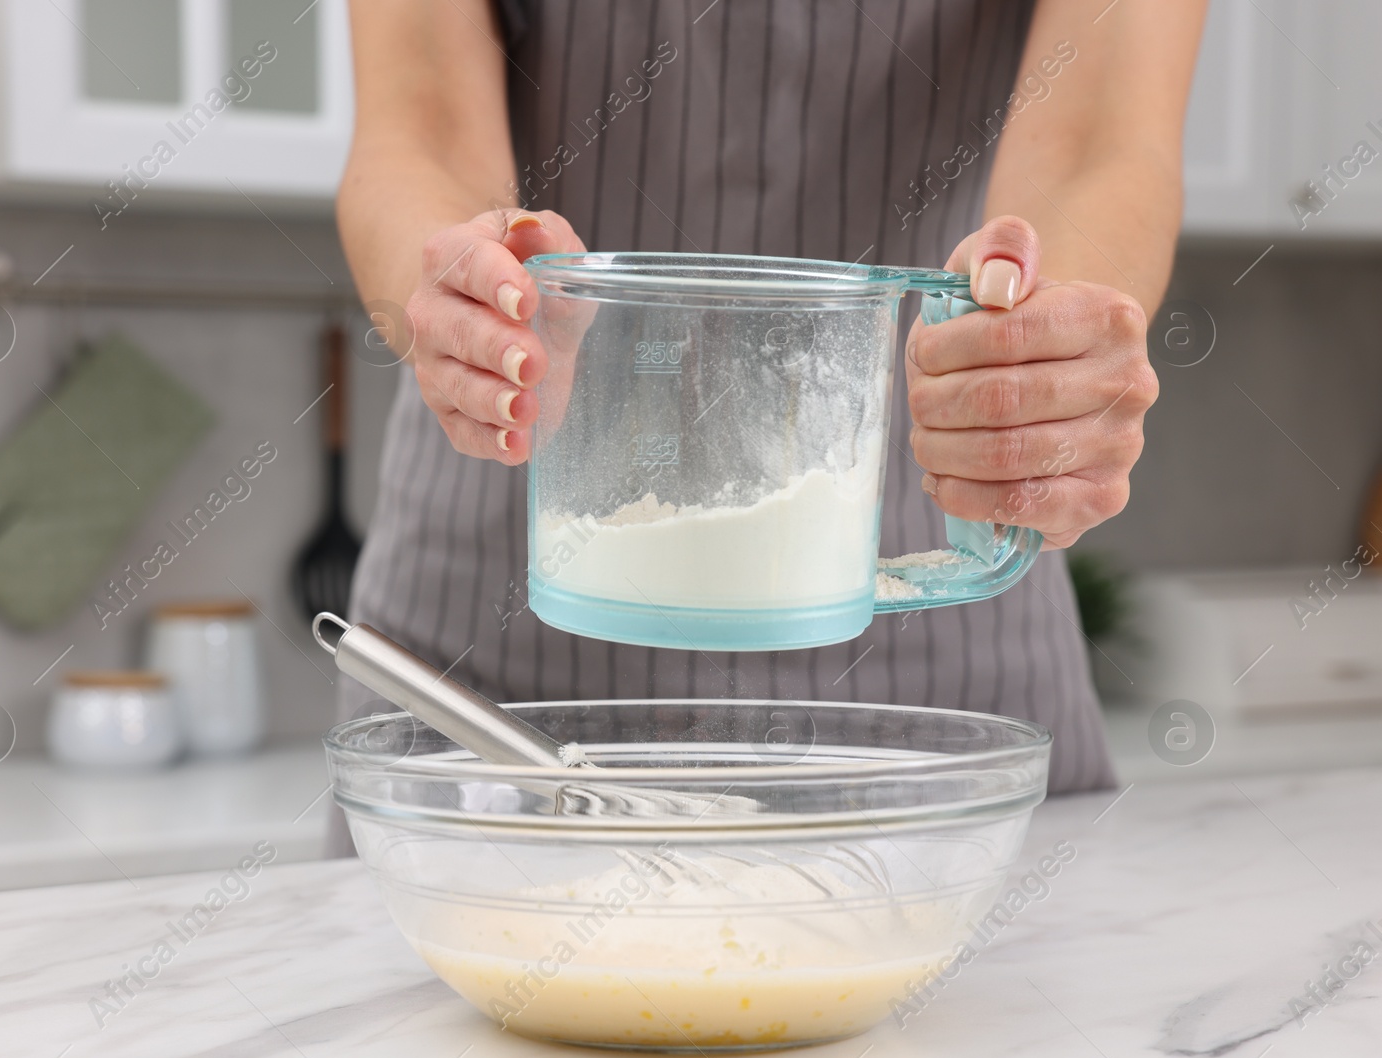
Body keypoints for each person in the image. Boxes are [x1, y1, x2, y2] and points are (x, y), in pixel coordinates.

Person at [331, 0, 1206, 817]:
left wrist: (1048, 344)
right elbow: (422, 127)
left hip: (938, 679)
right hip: (503, 658)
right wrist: (468, 297)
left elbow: (1102, 138)